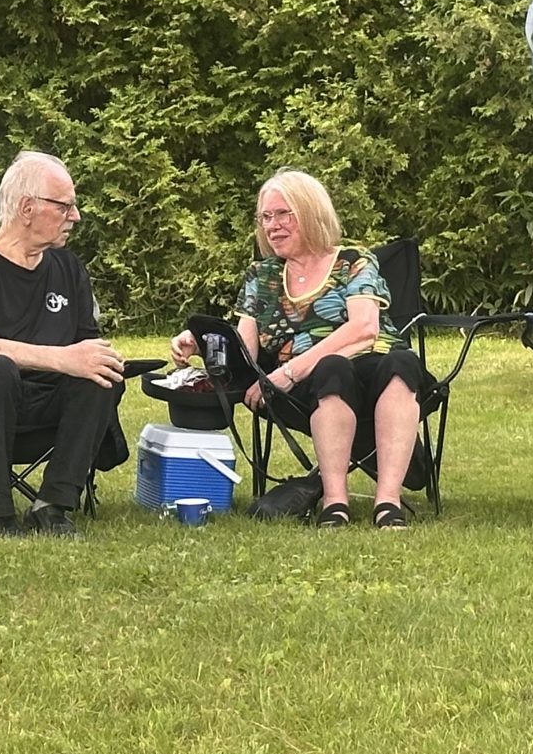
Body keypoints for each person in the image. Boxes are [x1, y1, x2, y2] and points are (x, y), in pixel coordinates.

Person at [171, 168, 423, 529]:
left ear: (310, 212)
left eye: (282, 214)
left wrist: (289, 371)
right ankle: (335, 502)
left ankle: (388, 502)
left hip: (371, 367)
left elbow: (364, 329)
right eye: (265, 217)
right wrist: (201, 341)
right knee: (333, 368)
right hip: (309, 388)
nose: (272, 226)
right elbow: (244, 349)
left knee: (401, 362)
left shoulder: (353, 261)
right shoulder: (262, 277)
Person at [0, 150, 127, 538]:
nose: (75, 216)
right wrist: (65, 358)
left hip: (51, 407)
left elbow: (86, 345)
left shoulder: (68, 267)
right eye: (65, 206)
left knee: (100, 373)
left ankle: (53, 505)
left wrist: (99, 358)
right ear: (27, 208)